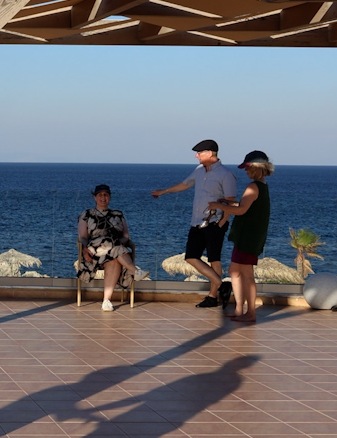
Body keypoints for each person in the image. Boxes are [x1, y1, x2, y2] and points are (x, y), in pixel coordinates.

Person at [151, 139, 238, 308]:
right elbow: (186, 184)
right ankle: (222, 285)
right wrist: (164, 191)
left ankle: (212, 297)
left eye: (199, 153)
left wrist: (222, 222)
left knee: (214, 260)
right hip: (197, 222)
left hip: (215, 223)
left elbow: (231, 201)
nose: (196, 156)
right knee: (191, 257)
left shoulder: (226, 174)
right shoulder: (199, 170)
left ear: (210, 153)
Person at [208, 150, 273, 324]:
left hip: (248, 237)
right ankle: (239, 308)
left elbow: (242, 210)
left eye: (248, 167)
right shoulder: (262, 185)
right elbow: (246, 205)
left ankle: (250, 312)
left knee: (246, 275)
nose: (246, 170)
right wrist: (228, 202)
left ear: (256, 167)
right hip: (249, 236)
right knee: (234, 272)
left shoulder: (253, 187)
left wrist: (218, 206)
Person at [77, 184, 136, 311]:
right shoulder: (87, 214)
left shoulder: (118, 214)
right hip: (95, 252)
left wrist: (114, 243)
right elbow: (82, 237)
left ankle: (106, 301)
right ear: (95, 197)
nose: (103, 197)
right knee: (110, 243)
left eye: (106, 195)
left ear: (109, 197)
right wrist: (85, 250)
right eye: (100, 195)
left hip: (114, 252)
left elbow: (126, 237)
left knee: (113, 257)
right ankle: (135, 271)